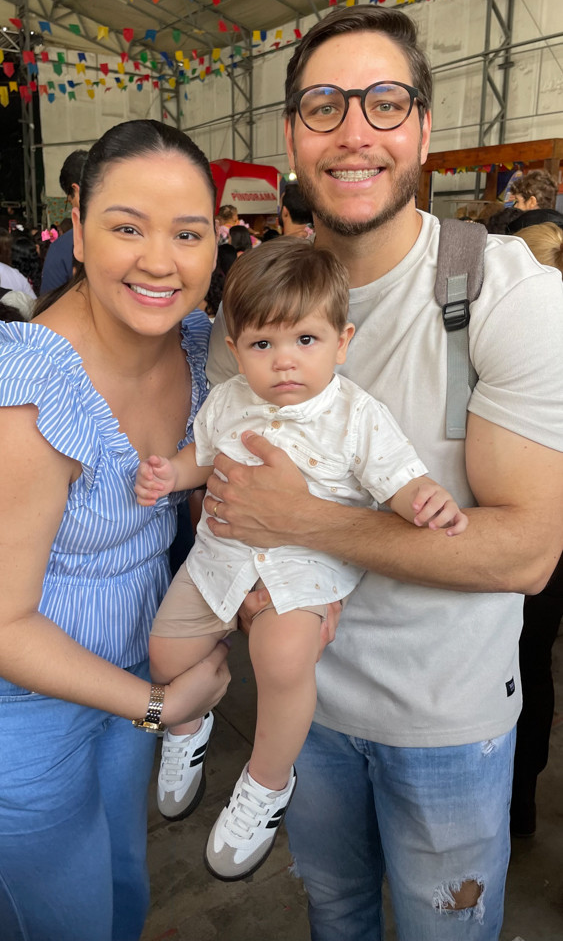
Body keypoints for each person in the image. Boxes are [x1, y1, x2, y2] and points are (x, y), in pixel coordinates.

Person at [204, 6, 563, 939]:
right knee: (335, 911)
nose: (354, 131)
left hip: (446, 722)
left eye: (384, 103)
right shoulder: (255, 303)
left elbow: (525, 551)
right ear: (292, 135)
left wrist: (302, 521)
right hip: (304, 713)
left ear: (422, 130)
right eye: (324, 105)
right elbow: (225, 496)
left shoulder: (505, 292)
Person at [135, 236, 467, 879]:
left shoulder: (357, 416)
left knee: (283, 656)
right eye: (263, 344)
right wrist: (171, 474)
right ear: (236, 350)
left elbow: (398, 480)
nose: (284, 360)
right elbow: (202, 455)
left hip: (302, 567)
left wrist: (425, 499)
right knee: (164, 651)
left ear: (342, 342)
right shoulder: (228, 400)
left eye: (305, 340)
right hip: (218, 560)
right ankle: (185, 726)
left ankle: (266, 781)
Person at [0, 119, 230, 941]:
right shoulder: (27, 390)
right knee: (65, 919)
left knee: (122, 886)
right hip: (25, 714)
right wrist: (161, 706)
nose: (160, 261)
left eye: (187, 233)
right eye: (127, 227)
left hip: (132, 672)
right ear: (77, 224)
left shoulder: (199, 348)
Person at [508, 221, 563, 837]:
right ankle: (521, 800)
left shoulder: (533, 334)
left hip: (532, 533)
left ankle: (515, 795)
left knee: (518, 656)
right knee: (533, 659)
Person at [40, 148, 88, 294]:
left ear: (76, 192)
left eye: (69, 198)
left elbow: (49, 303)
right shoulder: (136, 232)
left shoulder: (62, 249)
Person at [507, 168, 563, 233]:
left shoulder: (520, 230)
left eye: (517, 201)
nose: (515, 206)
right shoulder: (558, 227)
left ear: (532, 202)